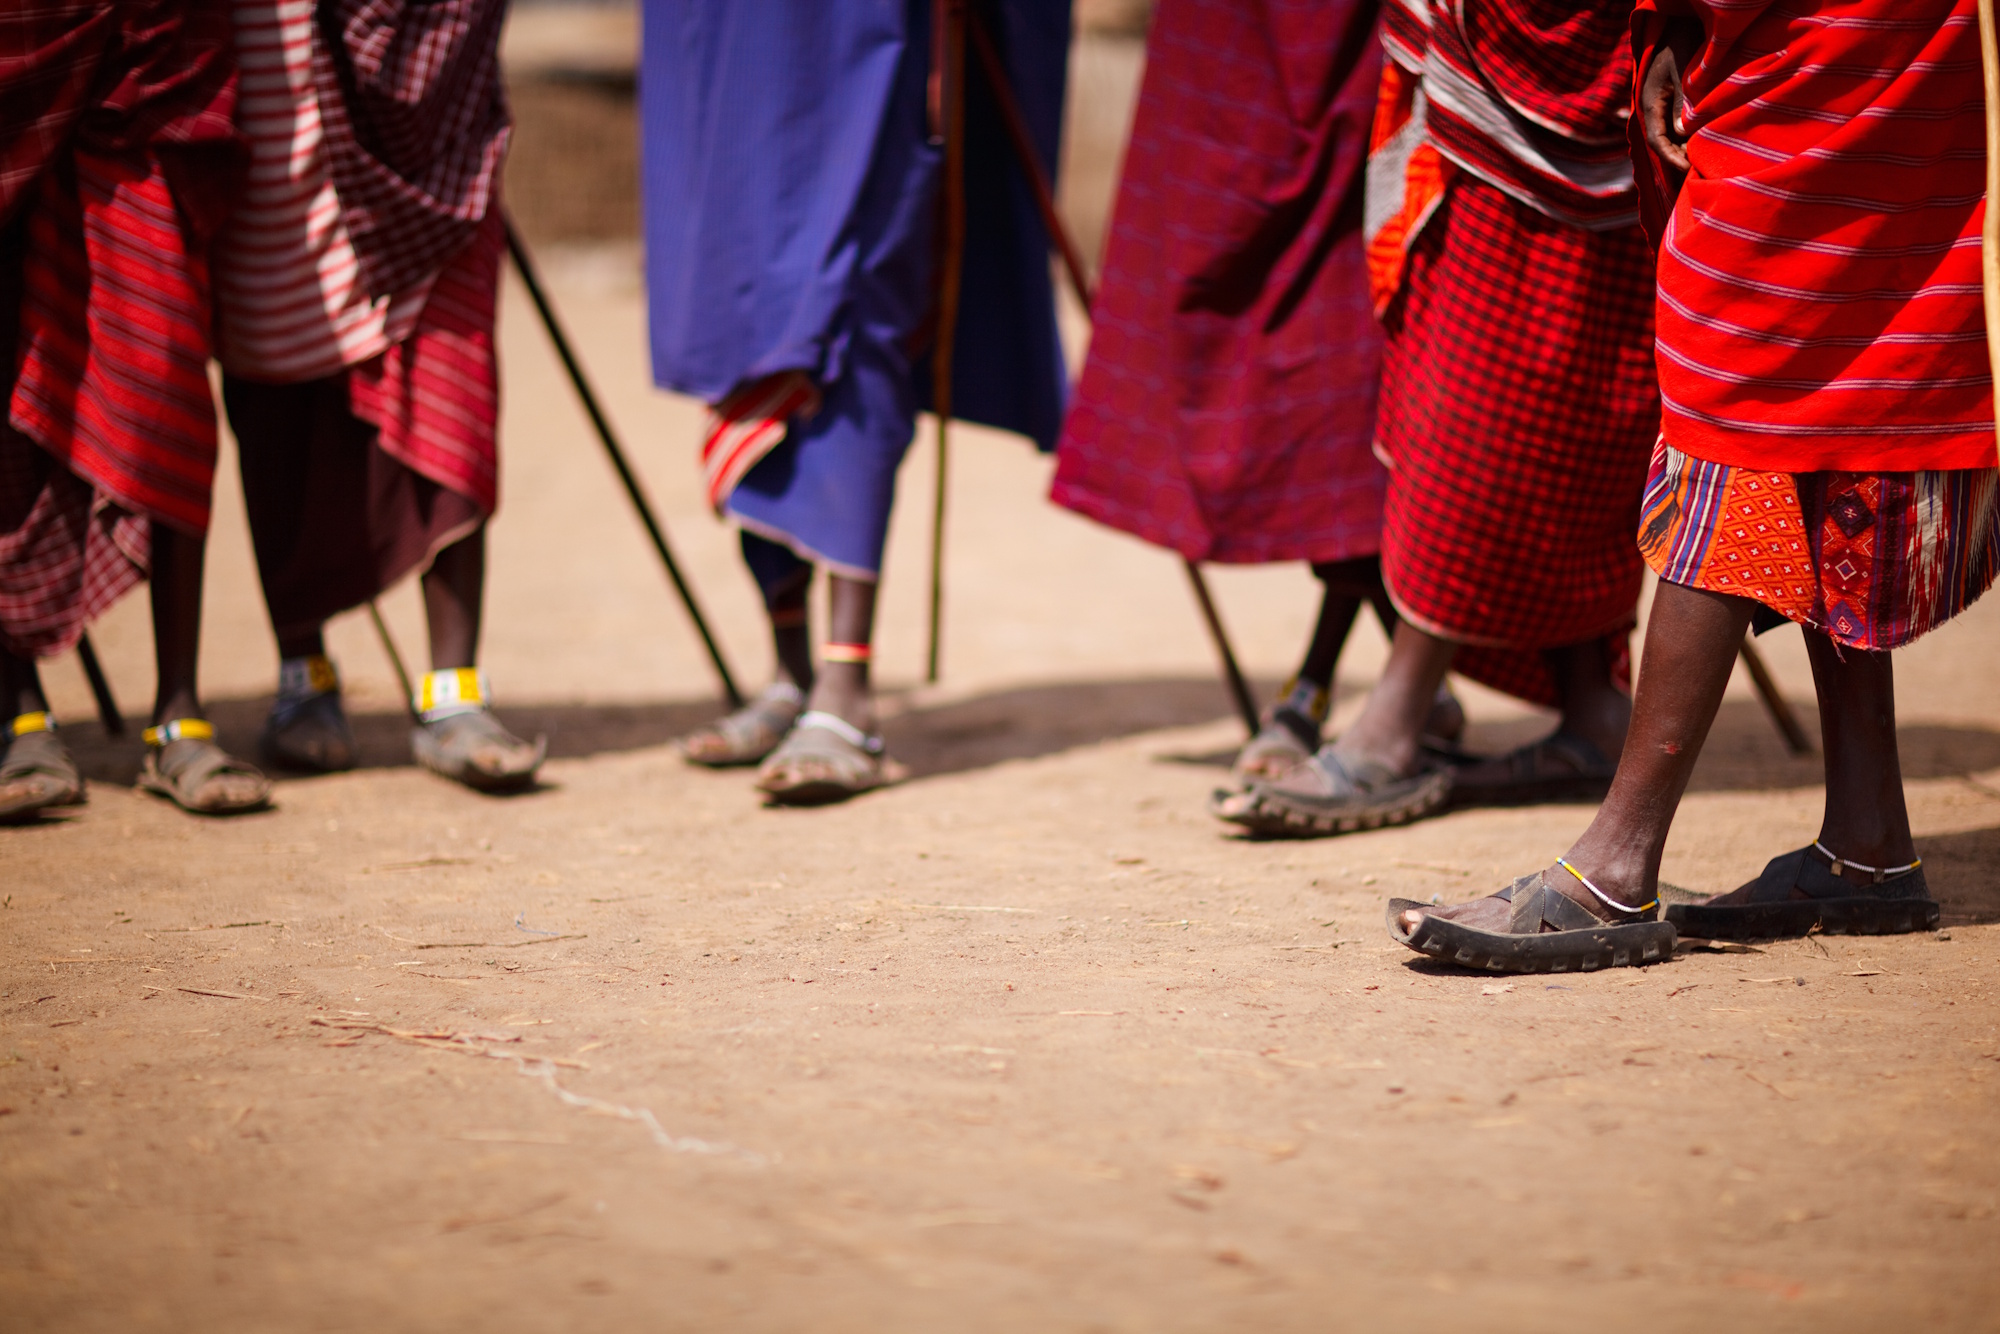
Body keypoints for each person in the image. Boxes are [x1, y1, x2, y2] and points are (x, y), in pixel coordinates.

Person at [1389, 0, 1995, 971]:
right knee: (1823, 369)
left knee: (1744, 370)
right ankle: (1867, 838)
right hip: (1845, 38)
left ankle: (1612, 867)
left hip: (1829, 39)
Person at [1214, 0, 1658, 836]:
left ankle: (1398, 716)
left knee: (1500, 404)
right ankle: (1588, 699)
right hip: (1494, 65)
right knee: (1518, 389)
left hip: (1590, 63)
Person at [643, 0, 1070, 804]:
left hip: (873, 38)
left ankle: (846, 687)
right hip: (741, 31)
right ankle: (790, 671)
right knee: (746, 304)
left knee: (858, 305)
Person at [1049, 0, 1465, 787]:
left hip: (1367, 44)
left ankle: (1322, 686)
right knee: (1205, 312)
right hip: (1227, 49)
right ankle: (1398, 688)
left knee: (1348, 380)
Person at [213, 0, 542, 793]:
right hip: (272, 91)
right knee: (279, 393)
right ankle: (304, 675)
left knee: (450, 392)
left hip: (438, 134)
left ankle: (454, 692)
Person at [0, 0, 272, 820]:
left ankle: (178, 714)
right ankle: (18, 713)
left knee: (166, 393)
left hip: (152, 85)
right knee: (12, 392)